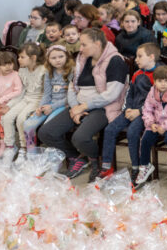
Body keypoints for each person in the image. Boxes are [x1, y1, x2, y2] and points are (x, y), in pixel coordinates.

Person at [39, 28, 130, 181]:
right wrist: (75, 107)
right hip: (79, 104)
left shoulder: (115, 60)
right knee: (46, 132)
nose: (80, 48)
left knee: (80, 137)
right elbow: (72, 86)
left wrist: (84, 106)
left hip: (104, 106)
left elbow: (112, 94)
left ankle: (96, 161)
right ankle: (77, 158)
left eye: (84, 44)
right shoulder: (83, 57)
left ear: (97, 43)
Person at [98, 42, 157, 180]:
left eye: (140, 56)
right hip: (131, 110)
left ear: (151, 57)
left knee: (132, 132)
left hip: (147, 113)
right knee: (110, 129)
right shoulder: (136, 73)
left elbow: (157, 99)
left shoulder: (158, 75)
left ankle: (136, 168)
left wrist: (140, 111)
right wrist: (128, 107)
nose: (136, 59)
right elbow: (130, 93)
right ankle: (107, 166)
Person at [133, 65, 167, 186]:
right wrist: (151, 123)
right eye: (159, 81)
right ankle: (145, 165)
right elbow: (147, 110)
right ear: (154, 81)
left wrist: (165, 126)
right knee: (145, 139)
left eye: (166, 80)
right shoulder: (152, 93)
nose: (163, 84)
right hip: (156, 123)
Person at [0, 43, 45, 160]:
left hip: (38, 100)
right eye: (19, 57)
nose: (18, 60)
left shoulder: (43, 71)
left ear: (33, 58)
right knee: (7, 117)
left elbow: (46, 93)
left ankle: (24, 148)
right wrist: (9, 105)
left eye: (22, 57)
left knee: (21, 119)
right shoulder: (22, 71)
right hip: (25, 99)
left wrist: (41, 106)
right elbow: (20, 92)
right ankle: (10, 146)